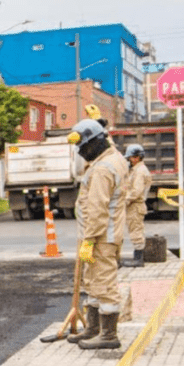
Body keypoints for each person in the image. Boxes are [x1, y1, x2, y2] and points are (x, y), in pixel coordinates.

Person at [66, 119, 129, 350]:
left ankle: (109, 335)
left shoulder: (103, 169)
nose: (81, 152)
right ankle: (93, 329)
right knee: (92, 282)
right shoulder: (113, 159)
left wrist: (89, 241)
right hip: (100, 235)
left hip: (100, 237)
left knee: (104, 284)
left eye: (83, 147)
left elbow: (97, 209)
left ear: (95, 143)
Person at [123, 144, 152, 268]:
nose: (130, 160)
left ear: (137, 157)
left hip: (135, 205)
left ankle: (138, 259)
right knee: (135, 229)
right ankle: (137, 257)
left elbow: (136, 191)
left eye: (131, 157)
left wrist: (125, 200)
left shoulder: (140, 171)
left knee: (136, 231)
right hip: (134, 205)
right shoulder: (136, 170)